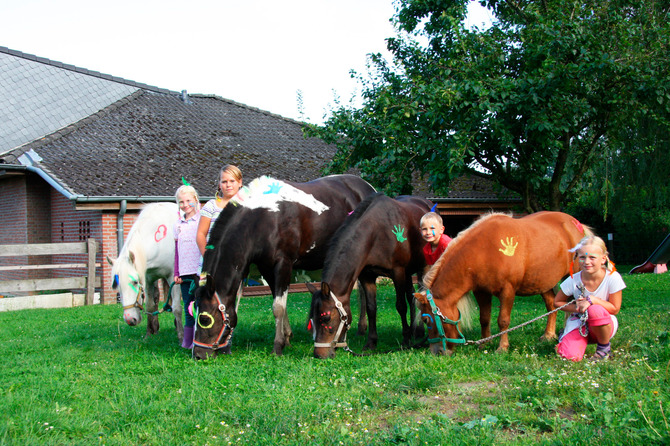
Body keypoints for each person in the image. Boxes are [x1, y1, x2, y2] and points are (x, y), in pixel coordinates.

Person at [554, 235, 625, 361]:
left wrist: (593, 300)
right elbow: (557, 302)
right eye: (582, 257)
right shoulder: (573, 280)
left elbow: (615, 309)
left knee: (595, 310)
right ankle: (564, 336)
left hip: (604, 325)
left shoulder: (613, 278)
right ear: (577, 258)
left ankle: (603, 349)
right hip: (579, 323)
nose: (587, 262)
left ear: (603, 259)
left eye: (592, 257)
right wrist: (577, 308)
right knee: (570, 357)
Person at [173, 184, 201, 349]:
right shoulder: (177, 225)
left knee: (199, 306)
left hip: (198, 272)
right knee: (188, 307)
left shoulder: (201, 221)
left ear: (195, 200)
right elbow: (177, 251)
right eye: (181, 202)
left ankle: (200, 338)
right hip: (184, 273)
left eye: (188, 200)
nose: (185, 205)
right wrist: (176, 272)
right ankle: (188, 341)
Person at [196, 165, 243, 255]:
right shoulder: (211, 206)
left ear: (240, 182)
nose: (228, 185)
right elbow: (200, 234)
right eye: (224, 182)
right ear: (219, 184)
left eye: (232, 181)